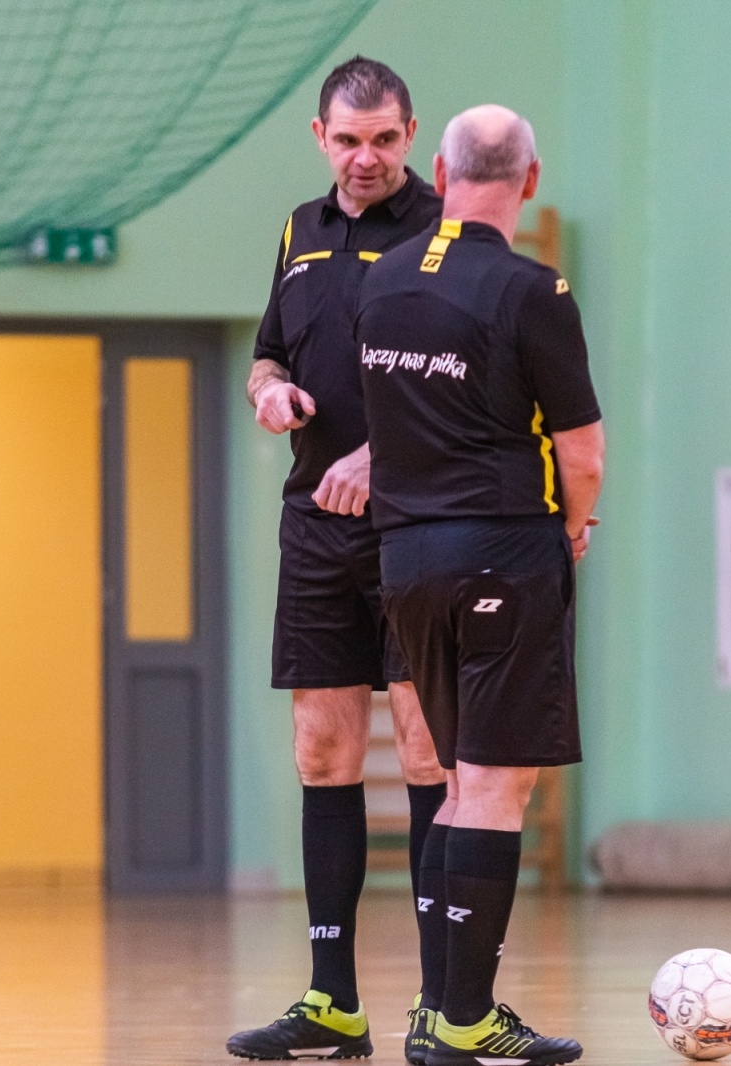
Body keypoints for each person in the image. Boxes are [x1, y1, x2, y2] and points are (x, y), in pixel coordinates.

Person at [355, 104, 605, 1066]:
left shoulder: (381, 283)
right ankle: (461, 1019)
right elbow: (581, 451)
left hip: (405, 563)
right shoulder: (532, 290)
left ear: (440, 170)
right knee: (499, 788)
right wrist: (575, 525)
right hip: (501, 552)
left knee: (460, 784)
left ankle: (441, 1009)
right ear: (528, 180)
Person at [226, 56, 447, 1062]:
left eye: (385, 139)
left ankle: (445, 1000)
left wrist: (383, 455)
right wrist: (268, 391)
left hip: (418, 526)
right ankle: (331, 1000)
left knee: (426, 754)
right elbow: (268, 353)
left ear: (411, 135)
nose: (366, 158)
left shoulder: (447, 235)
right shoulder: (298, 231)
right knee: (322, 756)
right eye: (349, 140)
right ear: (321, 137)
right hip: (316, 526)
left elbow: (471, 391)